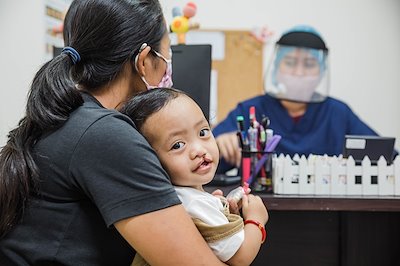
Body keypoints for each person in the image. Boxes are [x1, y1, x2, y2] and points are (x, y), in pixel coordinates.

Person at [0, 0, 231, 265]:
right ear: (144, 61)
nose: (168, 70)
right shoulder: (106, 134)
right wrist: (255, 223)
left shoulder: (70, 115)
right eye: (167, 57)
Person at [120, 88, 268, 265]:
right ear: (150, 159)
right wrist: (256, 220)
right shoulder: (194, 204)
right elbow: (241, 257)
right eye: (178, 145)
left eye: (203, 132)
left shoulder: (185, 199)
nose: (199, 150)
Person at [213, 25, 387, 174]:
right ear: (276, 68)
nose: (299, 72)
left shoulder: (338, 113)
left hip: (328, 210)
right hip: (260, 208)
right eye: (289, 62)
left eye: (309, 64)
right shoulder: (251, 110)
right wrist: (221, 145)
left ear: (321, 72)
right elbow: (204, 159)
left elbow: (386, 158)